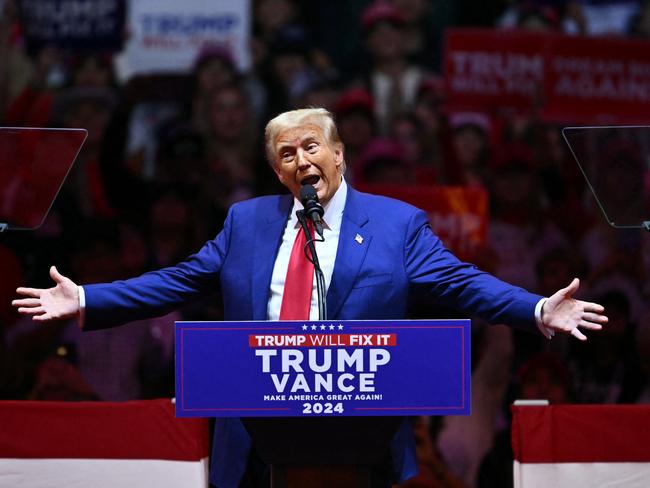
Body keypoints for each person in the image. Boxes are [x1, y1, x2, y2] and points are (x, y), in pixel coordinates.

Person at [13, 108, 608, 488]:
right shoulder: (246, 224)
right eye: (286, 155)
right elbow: (178, 279)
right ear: (278, 172)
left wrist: (536, 308)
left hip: (361, 432)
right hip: (258, 434)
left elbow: (462, 281)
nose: (301, 161)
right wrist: (88, 299)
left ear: (339, 154)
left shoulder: (395, 225)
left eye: (310, 147)